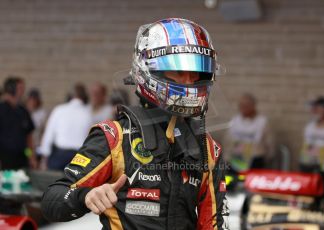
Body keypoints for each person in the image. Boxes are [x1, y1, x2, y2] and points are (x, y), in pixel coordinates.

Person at [41, 18, 228, 229]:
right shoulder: (115, 137)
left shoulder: (208, 149)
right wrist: (85, 197)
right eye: (178, 71)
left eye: (196, 74)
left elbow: (213, 223)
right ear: (149, 70)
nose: (189, 82)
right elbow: (52, 199)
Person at [39, 83, 92, 170]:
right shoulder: (88, 114)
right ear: (85, 97)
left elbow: (49, 135)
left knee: (54, 182)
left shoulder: (59, 110)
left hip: (59, 156)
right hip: (79, 158)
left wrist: (44, 158)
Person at [223, 93, 274, 171]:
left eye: (246, 106)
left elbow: (269, 143)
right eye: (241, 105)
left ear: (253, 106)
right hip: (236, 159)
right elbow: (228, 141)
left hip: (255, 160)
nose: (243, 108)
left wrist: (268, 159)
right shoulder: (235, 120)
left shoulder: (262, 122)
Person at [0, 77, 36, 169]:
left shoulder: (23, 112)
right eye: (20, 88)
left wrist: (31, 157)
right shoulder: (1, 109)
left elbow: (29, 138)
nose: (22, 91)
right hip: (4, 158)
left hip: (21, 159)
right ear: (11, 88)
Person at [25, 88, 47, 155]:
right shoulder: (23, 112)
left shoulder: (42, 113)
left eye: (34, 100)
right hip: (26, 146)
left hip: (37, 145)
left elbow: (43, 130)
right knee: (28, 157)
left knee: (35, 160)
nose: (32, 102)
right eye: (31, 99)